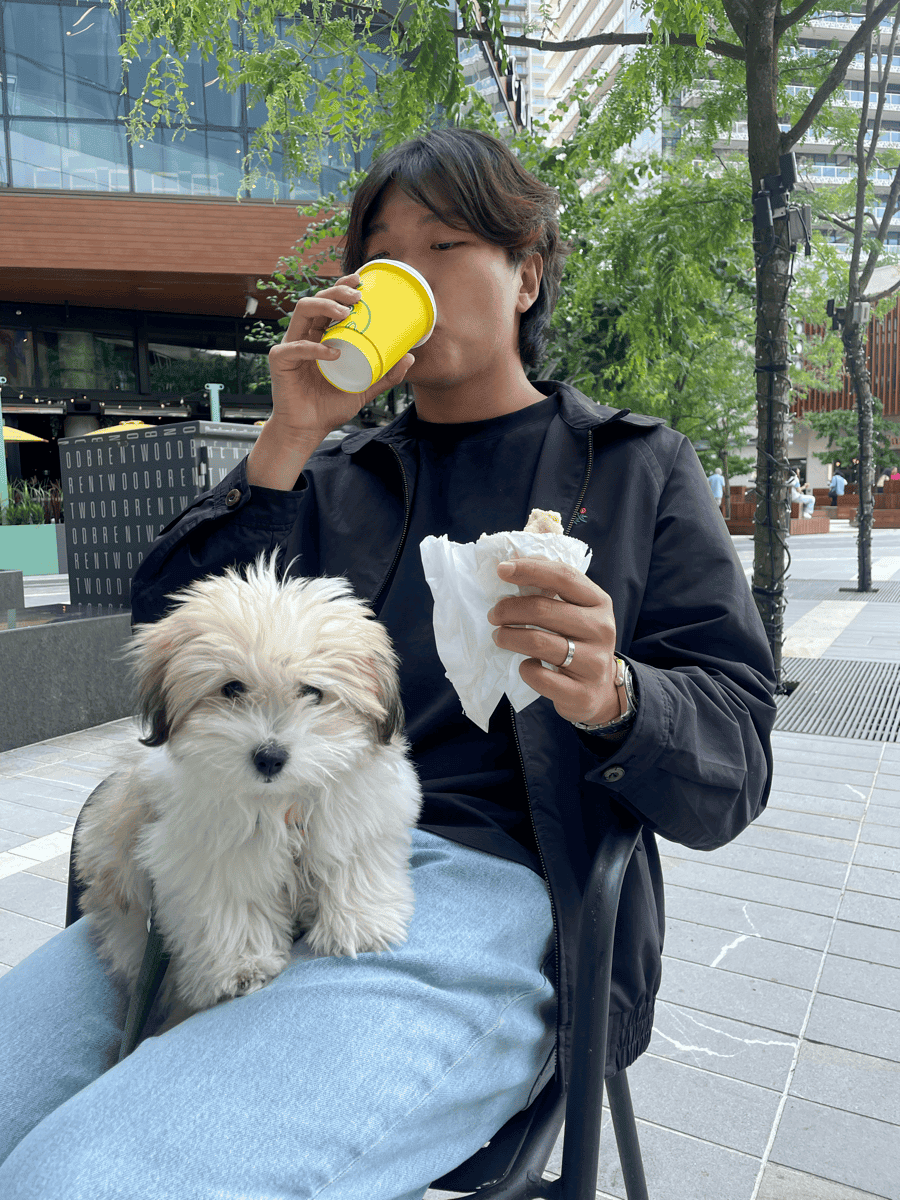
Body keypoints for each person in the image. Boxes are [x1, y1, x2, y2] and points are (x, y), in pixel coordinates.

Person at [0, 128, 777, 1199]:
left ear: (527, 273)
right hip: (243, 857)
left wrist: (619, 694)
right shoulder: (328, 479)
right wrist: (284, 438)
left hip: (493, 884)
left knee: (91, 1180)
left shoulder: (636, 470)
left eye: (446, 245)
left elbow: (734, 759)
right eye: (382, 256)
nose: (406, 275)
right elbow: (164, 641)